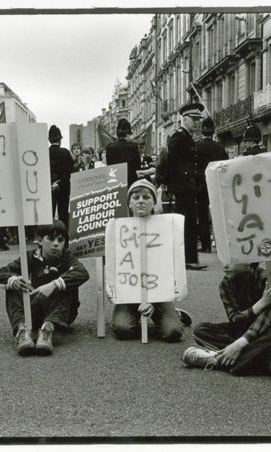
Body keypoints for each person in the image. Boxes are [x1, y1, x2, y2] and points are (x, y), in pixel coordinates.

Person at [107, 179, 192, 341]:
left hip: (159, 293)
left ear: (154, 202)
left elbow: (169, 268)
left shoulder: (165, 229)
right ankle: (133, 315)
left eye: (146, 197)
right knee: (123, 330)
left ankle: (175, 315)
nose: (141, 201)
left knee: (173, 333)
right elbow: (113, 268)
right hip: (128, 292)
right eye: (136, 197)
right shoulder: (118, 230)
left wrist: (152, 299)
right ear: (129, 203)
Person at [181, 262, 271, 379]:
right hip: (243, 332)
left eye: (231, 261)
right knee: (201, 330)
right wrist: (261, 304)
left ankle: (217, 360)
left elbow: (264, 321)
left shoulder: (269, 281)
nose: (225, 265)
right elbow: (235, 319)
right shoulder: (226, 283)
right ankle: (266, 363)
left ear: (248, 262)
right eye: (224, 260)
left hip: (269, 334)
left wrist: (238, 345)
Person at [0, 221, 89, 356]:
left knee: (67, 283)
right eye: (50, 239)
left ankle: (47, 331)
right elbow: (0, 273)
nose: (56, 244)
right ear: (40, 240)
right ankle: (22, 331)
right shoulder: (30, 256)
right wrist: (14, 280)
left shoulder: (67, 257)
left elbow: (83, 273)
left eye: (60, 240)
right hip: (34, 310)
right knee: (13, 285)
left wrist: (53, 285)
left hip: (62, 312)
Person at [156, 102, 206, 270]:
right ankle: (187, 259)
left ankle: (189, 258)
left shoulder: (186, 137)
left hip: (186, 186)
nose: (198, 122)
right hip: (182, 187)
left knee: (189, 223)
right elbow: (172, 163)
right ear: (185, 120)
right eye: (194, 119)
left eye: (199, 119)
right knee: (186, 223)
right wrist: (170, 185)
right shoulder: (179, 138)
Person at [195, 117, 229, 253]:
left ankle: (206, 245)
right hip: (216, 184)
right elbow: (225, 166)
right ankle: (220, 243)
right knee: (218, 214)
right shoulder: (220, 147)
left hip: (202, 185)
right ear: (213, 132)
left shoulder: (197, 147)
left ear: (202, 132)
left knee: (203, 215)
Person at [48, 125, 73, 228]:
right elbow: (70, 171)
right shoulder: (65, 153)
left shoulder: (45, 153)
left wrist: (51, 184)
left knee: (49, 216)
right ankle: (64, 239)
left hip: (48, 188)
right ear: (60, 140)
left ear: (49, 140)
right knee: (63, 215)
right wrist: (59, 183)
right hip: (63, 188)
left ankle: (46, 238)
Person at [105, 118, 141, 189]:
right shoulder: (133, 147)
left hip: (116, 184)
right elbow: (138, 166)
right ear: (127, 134)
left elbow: (109, 166)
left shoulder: (109, 147)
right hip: (131, 183)